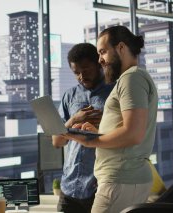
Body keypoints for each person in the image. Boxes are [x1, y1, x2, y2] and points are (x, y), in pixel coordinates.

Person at [62, 25, 158, 213]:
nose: (100, 60)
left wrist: (91, 142)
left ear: (121, 48)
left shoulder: (131, 79)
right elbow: (128, 130)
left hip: (119, 179)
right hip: (124, 179)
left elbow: (133, 134)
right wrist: (98, 133)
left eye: (103, 52)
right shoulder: (133, 78)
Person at [52, 43, 114, 213]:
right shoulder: (69, 96)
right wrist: (73, 119)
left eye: (85, 70)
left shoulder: (114, 92)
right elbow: (57, 141)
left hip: (98, 186)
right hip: (69, 188)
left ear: (98, 64)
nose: (81, 76)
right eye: (76, 72)